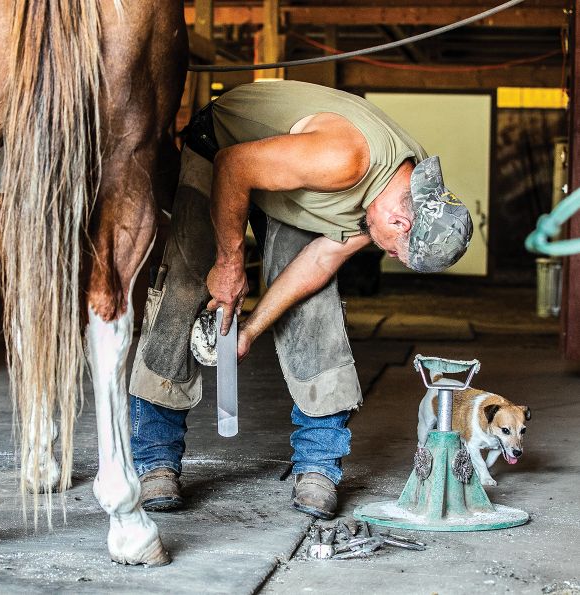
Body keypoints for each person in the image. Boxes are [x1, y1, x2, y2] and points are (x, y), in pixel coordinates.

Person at [128, 80, 473, 519]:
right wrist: (230, 264)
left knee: (316, 308)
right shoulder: (345, 159)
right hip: (225, 147)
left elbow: (319, 261)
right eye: (392, 251)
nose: (384, 252)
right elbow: (234, 167)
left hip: (291, 178)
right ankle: (155, 458)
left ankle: (317, 466)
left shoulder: (410, 195)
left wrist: (251, 329)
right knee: (185, 283)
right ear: (401, 221)